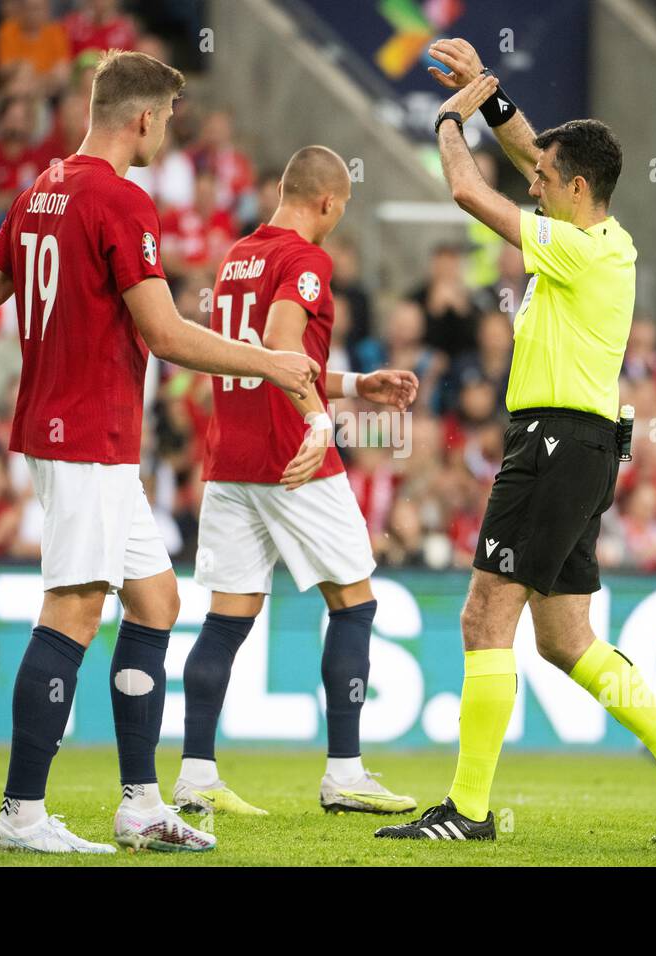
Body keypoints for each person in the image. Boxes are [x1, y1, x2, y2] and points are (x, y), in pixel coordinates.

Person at [0, 50, 320, 856]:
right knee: (75, 609)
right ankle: (21, 813)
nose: (169, 135)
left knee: (155, 601)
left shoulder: (41, 192)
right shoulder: (121, 201)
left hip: (86, 442)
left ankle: (139, 804)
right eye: (168, 120)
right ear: (143, 119)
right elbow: (162, 333)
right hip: (84, 437)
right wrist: (270, 360)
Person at [375, 38, 656, 844]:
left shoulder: (572, 250)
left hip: (555, 445)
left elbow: (470, 192)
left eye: (543, 178)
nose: (531, 179)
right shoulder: (600, 238)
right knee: (567, 640)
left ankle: (467, 812)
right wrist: (491, 95)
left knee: (484, 617)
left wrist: (448, 119)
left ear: (576, 189)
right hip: (581, 444)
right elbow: (526, 154)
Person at [177, 145, 419, 816]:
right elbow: (283, 338)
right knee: (355, 604)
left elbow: (266, 356)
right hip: (294, 456)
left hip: (232, 458)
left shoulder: (237, 259)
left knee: (226, 620)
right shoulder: (306, 259)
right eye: (341, 210)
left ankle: (195, 776)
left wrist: (352, 385)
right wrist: (319, 423)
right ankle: (345, 773)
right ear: (328, 203)